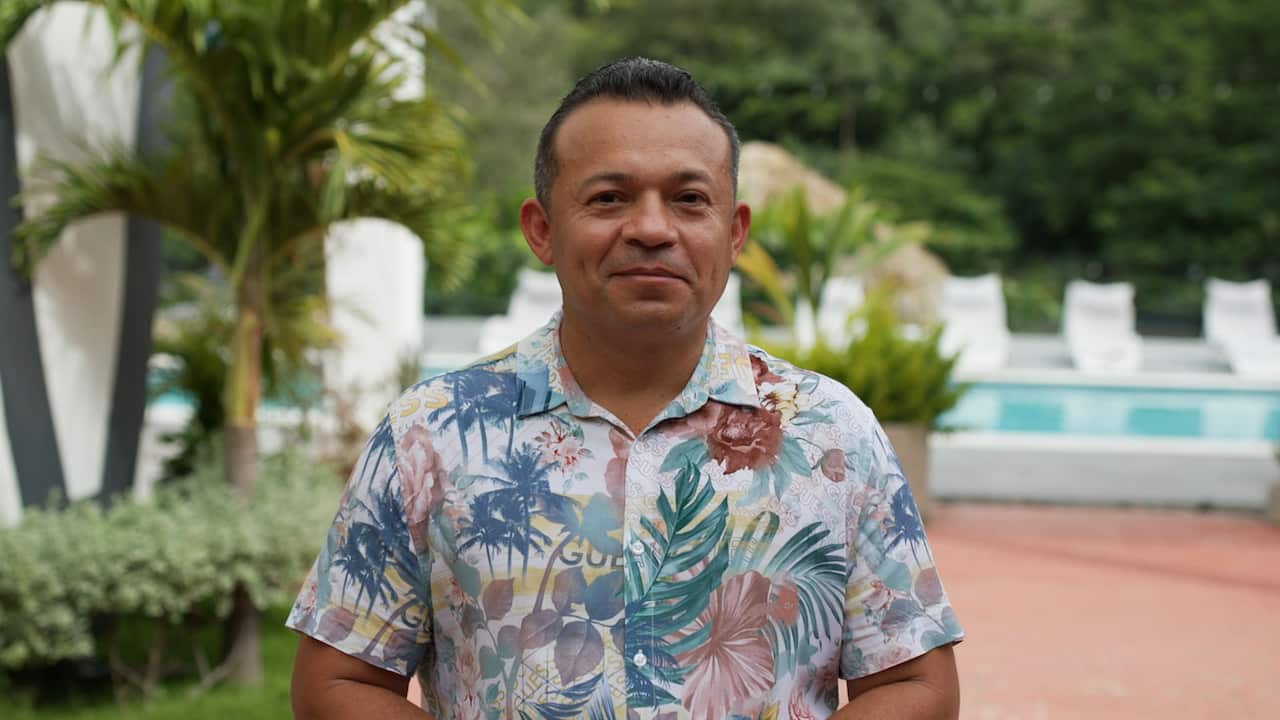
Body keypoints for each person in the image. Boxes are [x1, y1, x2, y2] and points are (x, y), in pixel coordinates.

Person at [288, 57, 963, 720]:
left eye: (689, 199)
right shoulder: (431, 434)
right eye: (609, 198)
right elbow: (337, 682)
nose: (650, 228)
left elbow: (916, 685)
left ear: (734, 234)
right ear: (542, 230)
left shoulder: (830, 433)